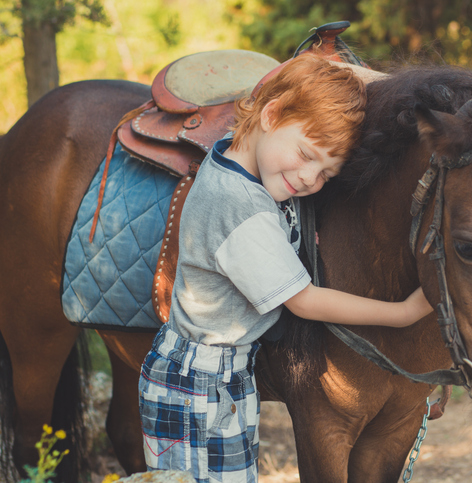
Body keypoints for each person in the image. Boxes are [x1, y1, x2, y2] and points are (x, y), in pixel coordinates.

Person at [138, 54, 433, 483]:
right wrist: (403, 313)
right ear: (271, 114)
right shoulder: (237, 205)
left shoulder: (241, 165)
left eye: (326, 174)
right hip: (197, 382)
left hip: (225, 375)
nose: (311, 179)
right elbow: (304, 301)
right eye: (306, 155)